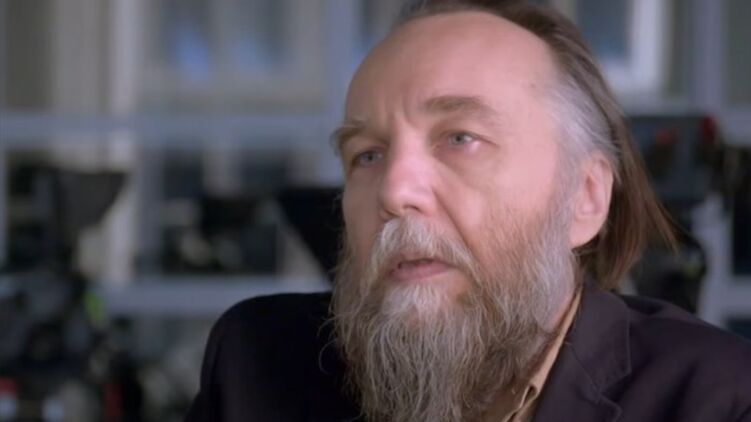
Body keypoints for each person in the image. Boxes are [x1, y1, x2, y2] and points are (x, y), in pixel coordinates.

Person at [185, 1, 751, 421]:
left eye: (460, 138)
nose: (394, 190)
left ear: (585, 198)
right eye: (367, 155)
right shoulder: (257, 363)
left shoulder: (719, 400)